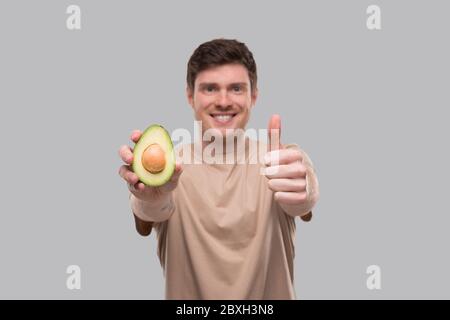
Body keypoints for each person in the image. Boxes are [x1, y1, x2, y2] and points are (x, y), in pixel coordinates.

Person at [118, 38, 320, 299]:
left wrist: (307, 188)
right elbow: (144, 222)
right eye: (210, 89)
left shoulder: (279, 160)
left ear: (254, 95)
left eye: (236, 88)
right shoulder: (171, 165)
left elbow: (302, 203)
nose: (223, 101)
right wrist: (148, 199)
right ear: (190, 96)